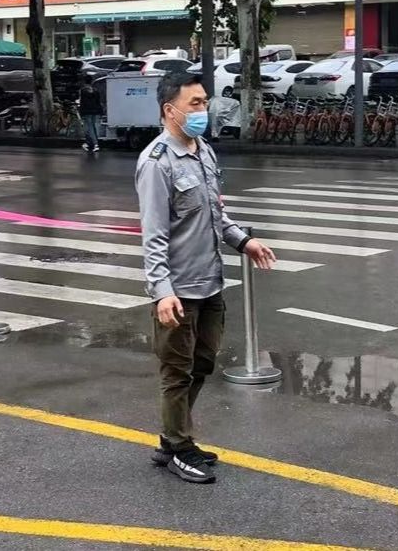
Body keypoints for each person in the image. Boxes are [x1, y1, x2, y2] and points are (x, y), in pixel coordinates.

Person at [136, 72, 278, 484]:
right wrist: (162, 292)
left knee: (202, 364)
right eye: (195, 103)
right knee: (176, 372)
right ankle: (178, 447)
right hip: (179, 291)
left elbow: (216, 214)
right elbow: (153, 234)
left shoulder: (205, 153)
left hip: (210, 282)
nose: (203, 110)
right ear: (170, 110)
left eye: (204, 102)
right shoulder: (156, 163)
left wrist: (244, 241)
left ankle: (173, 437)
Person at [78, 77, 103, 152]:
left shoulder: (83, 91)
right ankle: (89, 143)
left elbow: (82, 102)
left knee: (89, 128)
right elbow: (98, 101)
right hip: (95, 111)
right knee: (92, 127)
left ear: (84, 82)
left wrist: (81, 111)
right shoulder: (95, 90)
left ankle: (95, 144)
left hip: (87, 111)